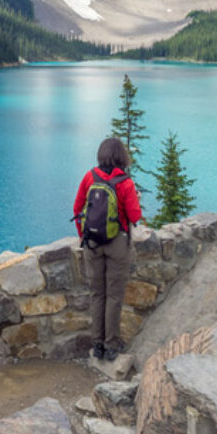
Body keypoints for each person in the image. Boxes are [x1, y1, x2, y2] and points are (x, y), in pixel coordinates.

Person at [72, 137, 142, 361]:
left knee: (97, 293)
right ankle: (111, 345)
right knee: (114, 295)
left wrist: (84, 236)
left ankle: (97, 344)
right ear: (122, 156)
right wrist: (136, 199)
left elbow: (77, 208)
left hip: (92, 244)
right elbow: (135, 216)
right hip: (117, 244)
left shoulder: (89, 177)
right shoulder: (126, 183)